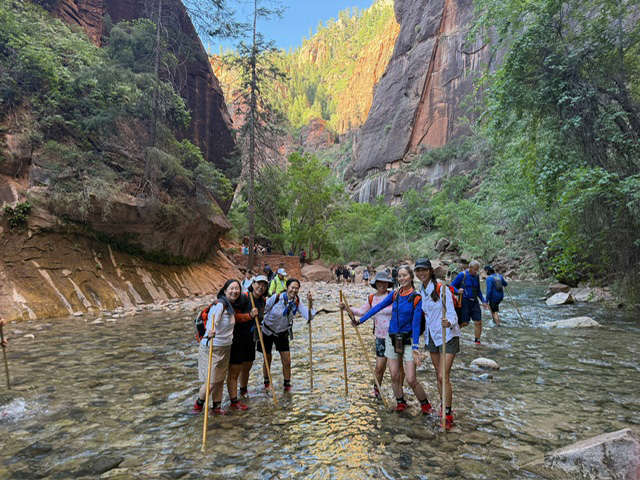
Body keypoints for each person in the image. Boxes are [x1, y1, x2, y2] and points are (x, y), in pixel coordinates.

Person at [350, 266, 432, 413]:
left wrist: (415, 348)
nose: (402, 278)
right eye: (399, 276)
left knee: (411, 379)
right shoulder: (395, 295)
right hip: (391, 338)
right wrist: (360, 321)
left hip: (407, 340)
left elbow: (416, 323)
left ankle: (425, 405)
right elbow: (378, 307)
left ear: (411, 277)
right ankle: (400, 402)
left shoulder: (416, 298)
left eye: (404, 275)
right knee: (394, 375)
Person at [414, 258, 460, 429]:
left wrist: (449, 322)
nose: (421, 273)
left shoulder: (442, 288)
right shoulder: (422, 290)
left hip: (447, 335)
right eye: (418, 271)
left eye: (423, 270)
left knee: (443, 375)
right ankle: (443, 407)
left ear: (430, 271)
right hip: (432, 336)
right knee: (438, 375)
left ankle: (448, 413)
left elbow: (453, 313)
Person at [191, 279, 246, 415]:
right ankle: (198, 406)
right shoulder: (220, 304)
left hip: (225, 347)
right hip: (212, 347)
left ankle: (216, 408)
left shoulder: (230, 306)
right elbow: (212, 320)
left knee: (219, 379)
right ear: (225, 291)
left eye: (237, 289)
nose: (234, 291)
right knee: (211, 382)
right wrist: (210, 331)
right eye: (231, 288)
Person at [341, 271, 396, 399]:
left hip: (395, 337)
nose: (382, 284)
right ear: (375, 284)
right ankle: (377, 391)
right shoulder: (372, 298)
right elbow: (361, 312)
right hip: (380, 337)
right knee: (379, 368)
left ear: (388, 283)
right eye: (379, 282)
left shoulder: (393, 296)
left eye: (384, 282)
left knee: (396, 370)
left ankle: (399, 394)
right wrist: (346, 307)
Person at [259, 278, 315, 391]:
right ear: (287, 287)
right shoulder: (277, 298)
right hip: (267, 330)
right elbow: (263, 309)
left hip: (283, 332)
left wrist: (311, 302)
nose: (294, 290)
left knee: (287, 360)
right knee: (267, 357)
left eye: (296, 288)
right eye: (292, 287)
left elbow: (308, 316)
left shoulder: (297, 302)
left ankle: (287, 383)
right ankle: (266, 381)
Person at [226, 275, 270, 409]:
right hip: (238, 339)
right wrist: (249, 316)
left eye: (264, 285)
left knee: (247, 367)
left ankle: (243, 391)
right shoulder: (244, 298)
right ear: (253, 283)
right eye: (258, 284)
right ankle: (234, 402)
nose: (260, 287)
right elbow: (232, 317)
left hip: (251, 339)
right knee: (234, 371)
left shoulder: (262, 300)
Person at [451, 260, 489, 344]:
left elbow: (478, 290)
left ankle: (477, 341)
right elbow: (451, 286)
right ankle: (452, 332)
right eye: (475, 269)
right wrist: (457, 291)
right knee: (465, 322)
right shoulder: (462, 275)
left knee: (478, 321)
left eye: (477, 269)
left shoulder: (476, 276)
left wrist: (483, 301)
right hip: (464, 301)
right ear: (470, 268)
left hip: (474, 301)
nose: (476, 271)